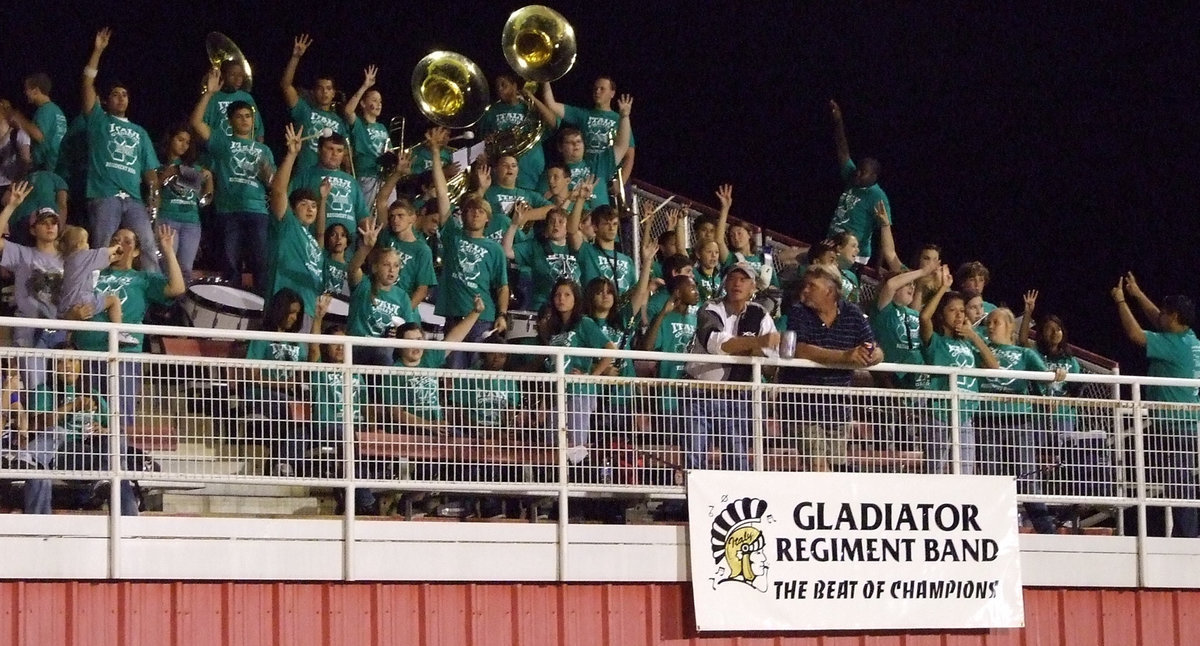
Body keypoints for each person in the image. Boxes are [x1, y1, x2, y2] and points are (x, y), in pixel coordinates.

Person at [70, 225, 186, 430]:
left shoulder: (142, 279)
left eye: (127, 241)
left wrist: (168, 251)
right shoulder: (92, 274)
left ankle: (121, 451)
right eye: (115, 240)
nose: (120, 244)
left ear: (136, 251)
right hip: (88, 352)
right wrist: (74, 316)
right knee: (89, 416)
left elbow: (177, 288)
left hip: (124, 355)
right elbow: (69, 306)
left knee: (120, 417)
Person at [1112, 272, 1200, 538]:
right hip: (1186, 423)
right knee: (1179, 482)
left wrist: (1121, 301)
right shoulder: (1189, 338)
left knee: (1179, 484)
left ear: (1174, 316)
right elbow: (1157, 320)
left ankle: (1187, 538)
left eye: (1164, 312)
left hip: (1175, 425)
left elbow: (1135, 334)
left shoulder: (1174, 345)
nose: (1159, 314)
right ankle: (1184, 535)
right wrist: (1138, 294)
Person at [781, 264, 883, 472]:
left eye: (811, 286)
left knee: (836, 469)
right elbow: (800, 349)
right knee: (818, 467)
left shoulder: (852, 313)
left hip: (838, 409)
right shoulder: (798, 312)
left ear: (829, 290)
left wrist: (872, 356)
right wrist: (845, 357)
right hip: (803, 407)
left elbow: (874, 348)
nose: (805, 290)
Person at [977, 306, 1066, 534]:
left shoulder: (1025, 354)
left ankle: (1047, 533)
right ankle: (994, 533)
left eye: (996, 322)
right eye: (988, 323)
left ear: (1010, 326)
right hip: (987, 421)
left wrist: (1057, 376)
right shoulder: (979, 349)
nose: (990, 326)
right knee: (991, 479)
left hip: (1019, 421)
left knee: (1027, 479)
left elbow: (1045, 378)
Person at [80, 28, 163, 272]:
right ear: (105, 100)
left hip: (134, 199)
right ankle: (96, 287)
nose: (121, 98)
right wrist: (97, 51)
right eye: (115, 94)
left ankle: (154, 291)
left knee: (147, 244)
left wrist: (154, 199)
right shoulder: (99, 120)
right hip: (105, 195)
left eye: (125, 95)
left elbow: (150, 173)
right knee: (103, 245)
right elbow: (87, 83)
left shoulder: (140, 132)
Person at [684, 262, 780, 471]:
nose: (737, 283)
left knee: (737, 458)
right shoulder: (710, 308)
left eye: (743, 280)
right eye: (733, 279)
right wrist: (756, 343)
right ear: (725, 283)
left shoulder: (760, 314)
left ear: (753, 287)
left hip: (737, 396)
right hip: (701, 393)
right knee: (695, 457)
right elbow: (717, 344)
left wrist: (754, 347)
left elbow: (770, 359)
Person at [21, 346, 136, 516]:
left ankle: (127, 520)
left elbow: (116, 428)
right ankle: (107, 477)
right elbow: (38, 424)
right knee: (58, 432)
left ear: (81, 365)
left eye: (72, 360)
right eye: (60, 362)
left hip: (93, 453)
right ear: (53, 367)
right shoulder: (44, 391)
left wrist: (104, 429)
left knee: (115, 448)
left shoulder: (94, 394)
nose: (67, 365)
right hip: (61, 453)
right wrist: (73, 405)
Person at [191, 66, 276, 292]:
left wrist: (267, 175)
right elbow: (197, 123)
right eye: (239, 117)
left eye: (248, 116)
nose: (245, 120)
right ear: (230, 122)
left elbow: (273, 184)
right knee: (230, 267)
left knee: (261, 266)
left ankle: (264, 308)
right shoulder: (223, 142)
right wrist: (209, 94)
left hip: (258, 211)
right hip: (229, 211)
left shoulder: (264, 150)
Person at [429, 132, 509, 369]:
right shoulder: (452, 235)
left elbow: (502, 285)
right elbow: (442, 193)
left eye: (480, 211)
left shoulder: (495, 249)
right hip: (455, 316)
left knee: (477, 375)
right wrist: (435, 153)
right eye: (470, 210)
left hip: (484, 318)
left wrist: (502, 314)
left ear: (488, 219)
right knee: (453, 374)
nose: (475, 213)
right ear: (462, 215)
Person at [918, 265, 999, 475]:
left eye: (962, 311)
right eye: (952, 310)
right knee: (935, 470)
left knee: (965, 471)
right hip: (940, 413)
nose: (958, 315)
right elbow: (924, 318)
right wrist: (943, 289)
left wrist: (973, 335)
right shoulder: (936, 341)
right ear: (941, 314)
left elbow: (994, 366)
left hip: (965, 413)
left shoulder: (968, 342)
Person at [538, 278, 615, 467]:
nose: (561, 299)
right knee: (553, 442)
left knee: (575, 444)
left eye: (567, 295)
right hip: (558, 393)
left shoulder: (584, 323)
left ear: (576, 299)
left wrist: (591, 377)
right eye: (557, 295)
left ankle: (577, 477)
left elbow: (610, 350)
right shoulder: (553, 328)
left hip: (579, 391)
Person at [267, 124, 327, 329]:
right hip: (285, 307)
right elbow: (278, 191)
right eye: (304, 205)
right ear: (292, 209)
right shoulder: (288, 224)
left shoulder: (312, 240)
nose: (310, 209)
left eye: (313, 206)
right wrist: (292, 155)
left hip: (308, 309)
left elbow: (321, 234)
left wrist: (323, 200)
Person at [242, 288, 305, 476]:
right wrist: (284, 385)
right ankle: (284, 464)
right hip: (260, 394)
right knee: (292, 409)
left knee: (303, 416)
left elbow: (303, 372)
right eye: (291, 312)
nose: (294, 317)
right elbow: (252, 375)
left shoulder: (297, 341)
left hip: (289, 396)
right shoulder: (262, 337)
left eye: (297, 314)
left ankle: (285, 464)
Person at [536, 93, 633, 210]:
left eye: (579, 141)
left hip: (599, 218)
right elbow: (543, 202)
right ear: (560, 147)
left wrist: (624, 117)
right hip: (571, 218)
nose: (576, 145)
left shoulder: (597, 164)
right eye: (570, 142)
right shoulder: (553, 173)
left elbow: (622, 146)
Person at [542, 77, 636, 190]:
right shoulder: (584, 115)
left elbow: (629, 154)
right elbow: (551, 105)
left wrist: (621, 182)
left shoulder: (619, 119)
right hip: (588, 173)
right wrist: (546, 78)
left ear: (612, 93)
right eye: (595, 88)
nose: (597, 91)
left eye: (602, 89)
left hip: (613, 176)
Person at [346, 220, 419, 366]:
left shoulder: (402, 296)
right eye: (386, 265)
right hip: (358, 347)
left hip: (386, 352)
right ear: (375, 268)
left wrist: (399, 333)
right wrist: (366, 248)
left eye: (396, 266)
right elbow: (352, 269)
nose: (392, 270)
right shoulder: (364, 285)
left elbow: (409, 329)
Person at [826, 100, 889, 264]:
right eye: (858, 169)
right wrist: (838, 120)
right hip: (833, 245)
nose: (858, 174)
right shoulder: (852, 177)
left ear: (874, 176)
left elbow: (884, 232)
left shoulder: (877, 196)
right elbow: (842, 151)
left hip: (854, 255)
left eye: (863, 172)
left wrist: (878, 268)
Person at [55, 225, 137, 346]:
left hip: (67, 302)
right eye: (86, 242)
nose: (88, 245)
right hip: (82, 301)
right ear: (79, 245)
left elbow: (98, 262)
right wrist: (116, 247)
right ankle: (119, 332)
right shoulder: (82, 256)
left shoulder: (70, 261)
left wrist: (112, 259)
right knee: (114, 300)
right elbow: (103, 253)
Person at [503, 197, 588, 312]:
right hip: (543, 308)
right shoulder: (535, 246)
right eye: (552, 222)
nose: (556, 225)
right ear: (546, 227)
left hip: (572, 309)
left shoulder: (575, 247)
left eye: (561, 222)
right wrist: (514, 225)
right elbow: (507, 251)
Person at [280, 34, 347, 171]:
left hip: (331, 176)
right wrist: (295, 57)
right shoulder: (304, 110)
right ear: (314, 92)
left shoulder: (340, 122)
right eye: (320, 88)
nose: (324, 92)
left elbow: (345, 153)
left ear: (333, 93)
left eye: (328, 89)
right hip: (306, 174)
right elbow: (286, 86)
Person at [478, 73, 556, 190]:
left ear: (514, 86)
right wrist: (488, 141)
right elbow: (483, 141)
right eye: (497, 86)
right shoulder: (491, 112)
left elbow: (553, 122)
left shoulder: (530, 108)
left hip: (530, 169)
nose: (499, 89)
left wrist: (533, 98)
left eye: (503, 85)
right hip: (503, 172)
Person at [155, 124, 211, 285]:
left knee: (186, 268)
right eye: (180, 140)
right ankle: (163, 299)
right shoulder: (158, 164)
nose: (184, 145)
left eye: (187, 142)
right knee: (166, 265)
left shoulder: (193, 167)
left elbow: (206, 197)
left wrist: (209, 180)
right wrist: (166, 174)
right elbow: (153, 190)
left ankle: (182, 299)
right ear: (170, 139)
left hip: (191, 222)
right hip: (167, 219)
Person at [870, 263, 938, 389]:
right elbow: (890, 285)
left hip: (919, 374)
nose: (912, 287)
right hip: (893, 376)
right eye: (907, 284)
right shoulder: (884, 309)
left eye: (913, 284)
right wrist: (922, 272)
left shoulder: (914, 313)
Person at [290, 132, 369, 241]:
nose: (335, 154)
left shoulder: (352, 181)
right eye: (330, 149)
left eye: (339, 150)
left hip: (348, 246)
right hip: (313, 243)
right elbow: (287, 205)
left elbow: (362, 215)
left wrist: (369, 234)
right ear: (319, 150)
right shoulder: (305, 175)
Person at [343, 65, 390, 207]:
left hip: (384, 178)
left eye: (380, 101)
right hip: (366, 176)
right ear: (363, 103)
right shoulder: (359, 124)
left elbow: (389, 150)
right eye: (374, 100)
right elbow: (348, 111)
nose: (378, 104)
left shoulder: (382, 127)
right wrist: (365, 86)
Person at [3, 72, 68, 172]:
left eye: (26, 89)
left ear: (36, 91)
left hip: (45, 168)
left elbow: (38, 135)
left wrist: (18, 118)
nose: (25, 92)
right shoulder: (57, 111)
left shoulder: (45, 110)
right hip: (57, 166)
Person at [200, 58, 264, 141]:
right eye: (233, 75)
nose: (238, 79)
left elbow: (258, 130)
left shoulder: (247, 98)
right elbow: (202, 125)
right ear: (223, 76)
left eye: (240, 75)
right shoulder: (213, 97)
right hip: (219, 146)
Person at [6, 168, 66, 246]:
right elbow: (62, 204)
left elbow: (5, 199)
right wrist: (60, 228)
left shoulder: (23, 179)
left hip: (18, 220)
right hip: (40, 220)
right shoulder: (56, 178)